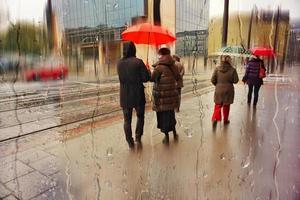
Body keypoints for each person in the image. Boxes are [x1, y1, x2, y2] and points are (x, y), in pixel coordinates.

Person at [117, 41, 150, 149]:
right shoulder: (138, 62)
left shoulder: (119, 63)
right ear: (133, 49)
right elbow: (146, 78)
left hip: (124, 96)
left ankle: (129, 141)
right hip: (137, 95)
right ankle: (138, 137)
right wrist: (148, 70)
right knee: (140, 117)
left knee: (127, 120)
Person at [151, 48, 180, 144]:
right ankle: (175, 133)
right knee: (171, 114)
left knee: (163, 116)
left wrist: (149, 70)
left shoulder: (159, 68)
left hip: (162, 96)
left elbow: (152, 78)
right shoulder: (174, 66)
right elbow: (178, 78)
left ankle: (166, 137)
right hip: (171, 95)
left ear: (161, 55)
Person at [211, 55, 239, 127]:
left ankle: (215, 118)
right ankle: (225, 120)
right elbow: (236, 81)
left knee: (218, 105)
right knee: (226, 105)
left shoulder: (217, 69)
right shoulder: (233, 69)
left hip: (218, 89)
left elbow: (212, 80)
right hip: (228, 90)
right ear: (229, 61)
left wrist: (218, 85)